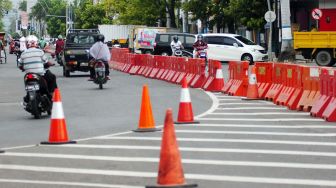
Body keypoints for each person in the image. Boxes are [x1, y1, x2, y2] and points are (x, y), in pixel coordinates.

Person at [19, 35, 58, 99]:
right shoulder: (40, 51)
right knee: (52, 77)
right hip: (40, 74)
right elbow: (46, 62)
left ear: (27, 44)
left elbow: (20, 65)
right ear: (36, 43)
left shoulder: (23, 53)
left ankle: (28, 95)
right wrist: (51, 64)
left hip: (28, 75)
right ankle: (51, 94)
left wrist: (23, 68)